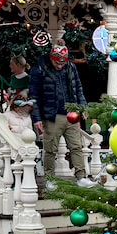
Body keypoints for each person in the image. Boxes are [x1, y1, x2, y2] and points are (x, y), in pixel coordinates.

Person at [29, 45, 92, 188]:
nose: (60, 66)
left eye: (62, 63)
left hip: (72, 113)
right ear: (51, 58)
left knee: (76, 147)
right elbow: (33, 95)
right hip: (51, 115)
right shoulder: (40, 69)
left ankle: (81, 177)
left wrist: (83, 107)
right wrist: (37, 118)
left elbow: (78, 88)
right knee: (50, 149)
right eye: (57, 63)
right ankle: (50, 179)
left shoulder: (70, 67)